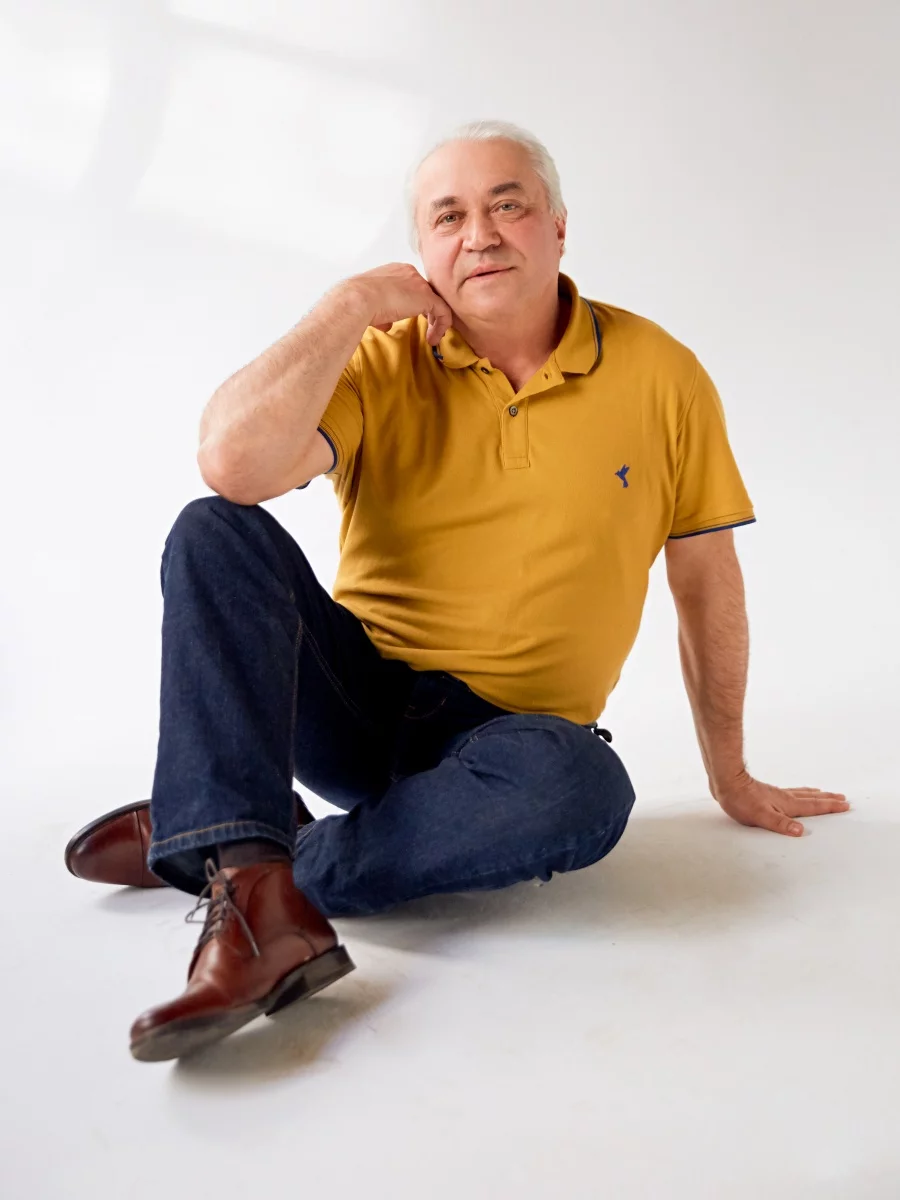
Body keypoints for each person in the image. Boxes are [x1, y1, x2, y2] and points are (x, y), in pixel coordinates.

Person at [64, 119, 849, 1063]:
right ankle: (243, 860)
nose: (480, 235)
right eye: (449, 217)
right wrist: (352, 302)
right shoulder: (381, 355)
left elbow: (706, 578)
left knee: (586, 787)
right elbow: (232, 465)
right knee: (213, 530)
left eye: (507, 205)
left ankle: (235, 847)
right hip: (357, 707)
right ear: (424, 250)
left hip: (511, 747)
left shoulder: (662, 374)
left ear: (558, 226)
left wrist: (729, 771)